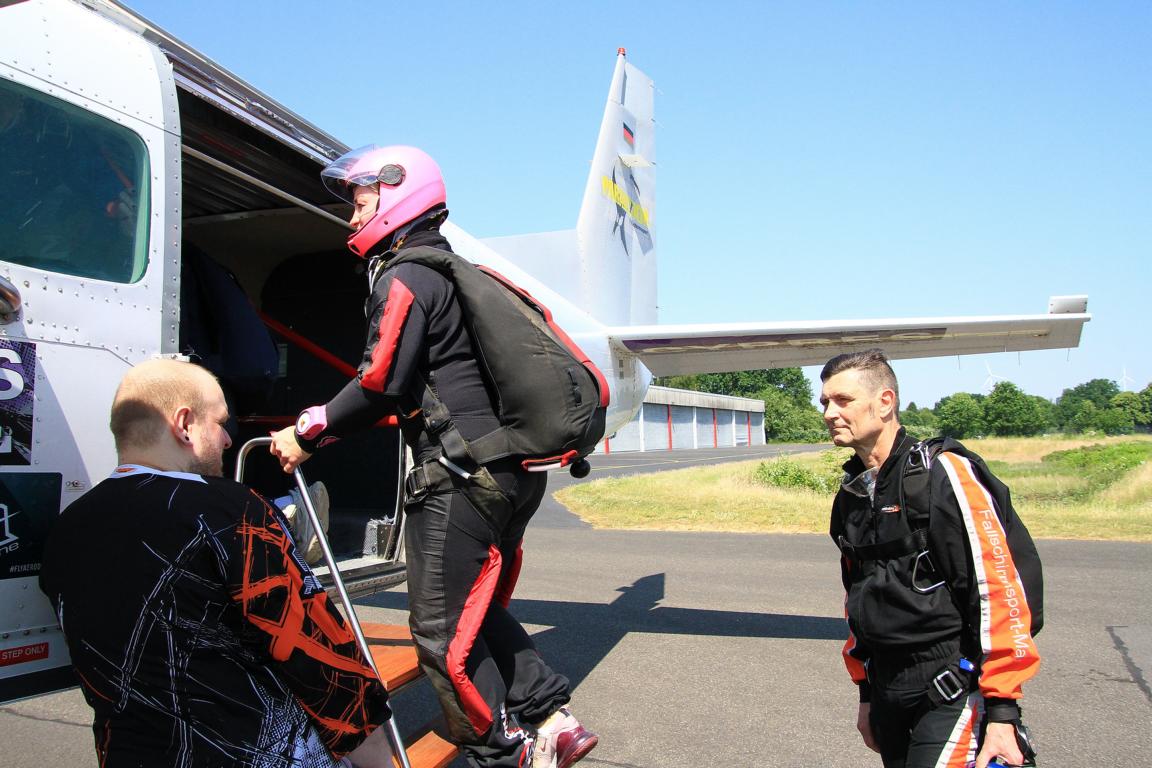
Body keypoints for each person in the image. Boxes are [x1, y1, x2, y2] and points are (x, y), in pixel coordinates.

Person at [269, 145, 597, 768]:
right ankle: (552, 720)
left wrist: (308, 430)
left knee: (440, 636)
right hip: (506, 472)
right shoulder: (450, 271)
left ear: (397, 193)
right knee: (475, 607)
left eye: (360, 199)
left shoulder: (405, 276)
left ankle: (501, 754)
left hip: (460, 478)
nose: (351, 215)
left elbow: (378, 381)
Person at [39, 359, 394, 768]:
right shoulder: (232, 510)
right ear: (184, 424)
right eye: (221, 423)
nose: (228, 440)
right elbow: (327, 668)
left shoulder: (65, 529)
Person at [820, 349, 1042, 768]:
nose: (830, 413)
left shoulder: (944, 473)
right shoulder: (852, 494)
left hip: (952, 684)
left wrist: (1002, 711)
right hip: (887, 688)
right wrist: (867, 694)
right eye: (825, 402)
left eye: (843, 400)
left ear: (885, 402)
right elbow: (857, 599)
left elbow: (997, 588)